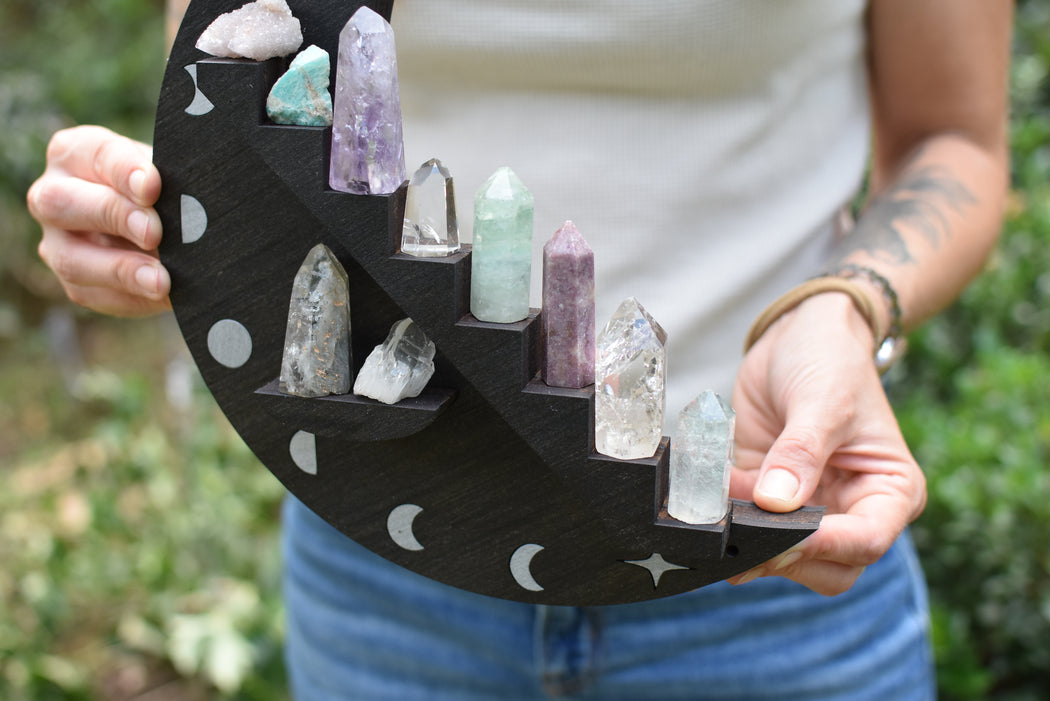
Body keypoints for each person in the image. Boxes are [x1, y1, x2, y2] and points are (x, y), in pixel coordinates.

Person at [28, 0, 1011, 698]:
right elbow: (232, 101)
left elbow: (953, 141)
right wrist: (141, 213)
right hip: (389, 545)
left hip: (757, 557)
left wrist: (847, 304)